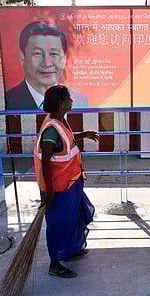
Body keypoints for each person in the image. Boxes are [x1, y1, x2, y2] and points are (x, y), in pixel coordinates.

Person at [33, 85, 98, 278]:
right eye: (69, 99)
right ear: (61, 104)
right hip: (59, 189)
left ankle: (72, 249)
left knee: (74, 217)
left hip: (71, 182)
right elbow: (45, 162)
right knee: (59, 224)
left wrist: (83, 135)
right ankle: (55, 263)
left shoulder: (61, 121)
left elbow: (67, 141)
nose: (72, 101)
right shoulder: (50, 131)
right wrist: (49, 192)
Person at [5, 21, 88, 110]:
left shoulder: (80, 101)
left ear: (64, 58)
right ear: (22, 57)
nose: (47, 63)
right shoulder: (10, 100)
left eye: (53, 54)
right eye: (37, 53)